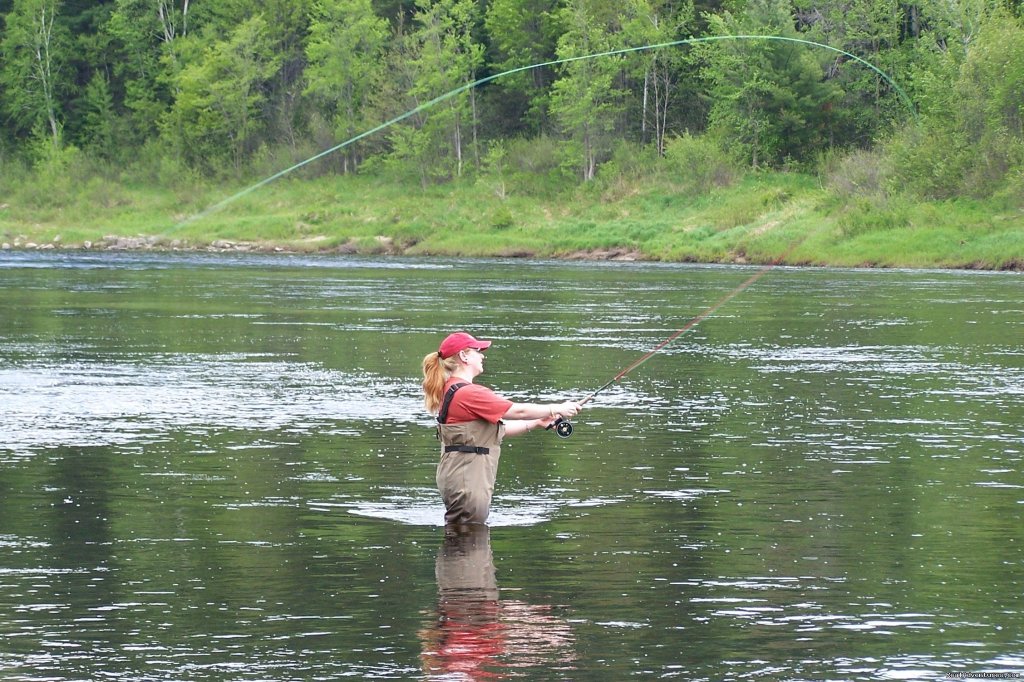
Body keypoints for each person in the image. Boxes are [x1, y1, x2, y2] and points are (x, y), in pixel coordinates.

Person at [421, 331, 581, 525]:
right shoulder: (469, 393)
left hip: (461, 478)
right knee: (468, 544)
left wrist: (538, 422)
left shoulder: (452, 389)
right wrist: (557, 407)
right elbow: (518, 411)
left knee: (464, 541)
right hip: (467, 482)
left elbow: (495, 430)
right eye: (478, 351)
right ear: (463, 356)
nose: (482, 355)